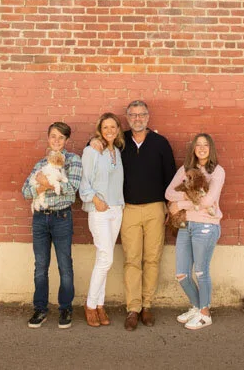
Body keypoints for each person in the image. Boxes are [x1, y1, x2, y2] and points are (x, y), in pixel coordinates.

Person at [117, 100, 176, 330]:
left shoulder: (160, 143)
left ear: (148, 117)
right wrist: (94, 141)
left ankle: (147, 305)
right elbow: (95, 148)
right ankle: (133, 308)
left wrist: (170, 207)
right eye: (133, 114)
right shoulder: (119, 141)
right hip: (128, 208)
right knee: (132, 259)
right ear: (127, 117)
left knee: (152, 258)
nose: (138, 118)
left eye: (142, 114)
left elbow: (170, 177)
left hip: (155, 208)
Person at [21, 121, 83, 329]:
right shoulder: (40, 164)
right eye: (53, 136)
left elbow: (72, 189)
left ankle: (65, 307)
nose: (57, 140)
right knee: (40, 266)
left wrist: (44, 184)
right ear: (48, 138)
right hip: (39, 218)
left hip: (61, 218)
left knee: (65, 265)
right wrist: (42, 188)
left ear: (67, 140)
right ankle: (40, 308)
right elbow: (25, 191)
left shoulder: (73, 160)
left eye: (61, 137)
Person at [165, 133, 225, 330]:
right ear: (193, 148)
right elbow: (168, 192)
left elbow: (208, 201)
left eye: (205, 145)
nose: (201, 148)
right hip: (186, 226)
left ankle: (205, 313)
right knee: (182, 274)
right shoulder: (185, 169)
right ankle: (197, 306)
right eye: (198, 145)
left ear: (211, 148)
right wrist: (189, 195)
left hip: (206, 227)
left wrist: (181, 203)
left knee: (200, 271)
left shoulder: (217, 171)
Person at [79, 112, 125, 327]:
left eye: (113, 127)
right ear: (100, 129)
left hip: (117, 209)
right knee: (106, 258)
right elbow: (84, 182)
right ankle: (90, 304)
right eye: (105, 128)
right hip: (99, 210)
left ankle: (100, 304)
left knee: (103, 260)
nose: (109, 131)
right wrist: (94, 199)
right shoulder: (91, 150)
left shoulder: (117, 151)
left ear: (118, 130)